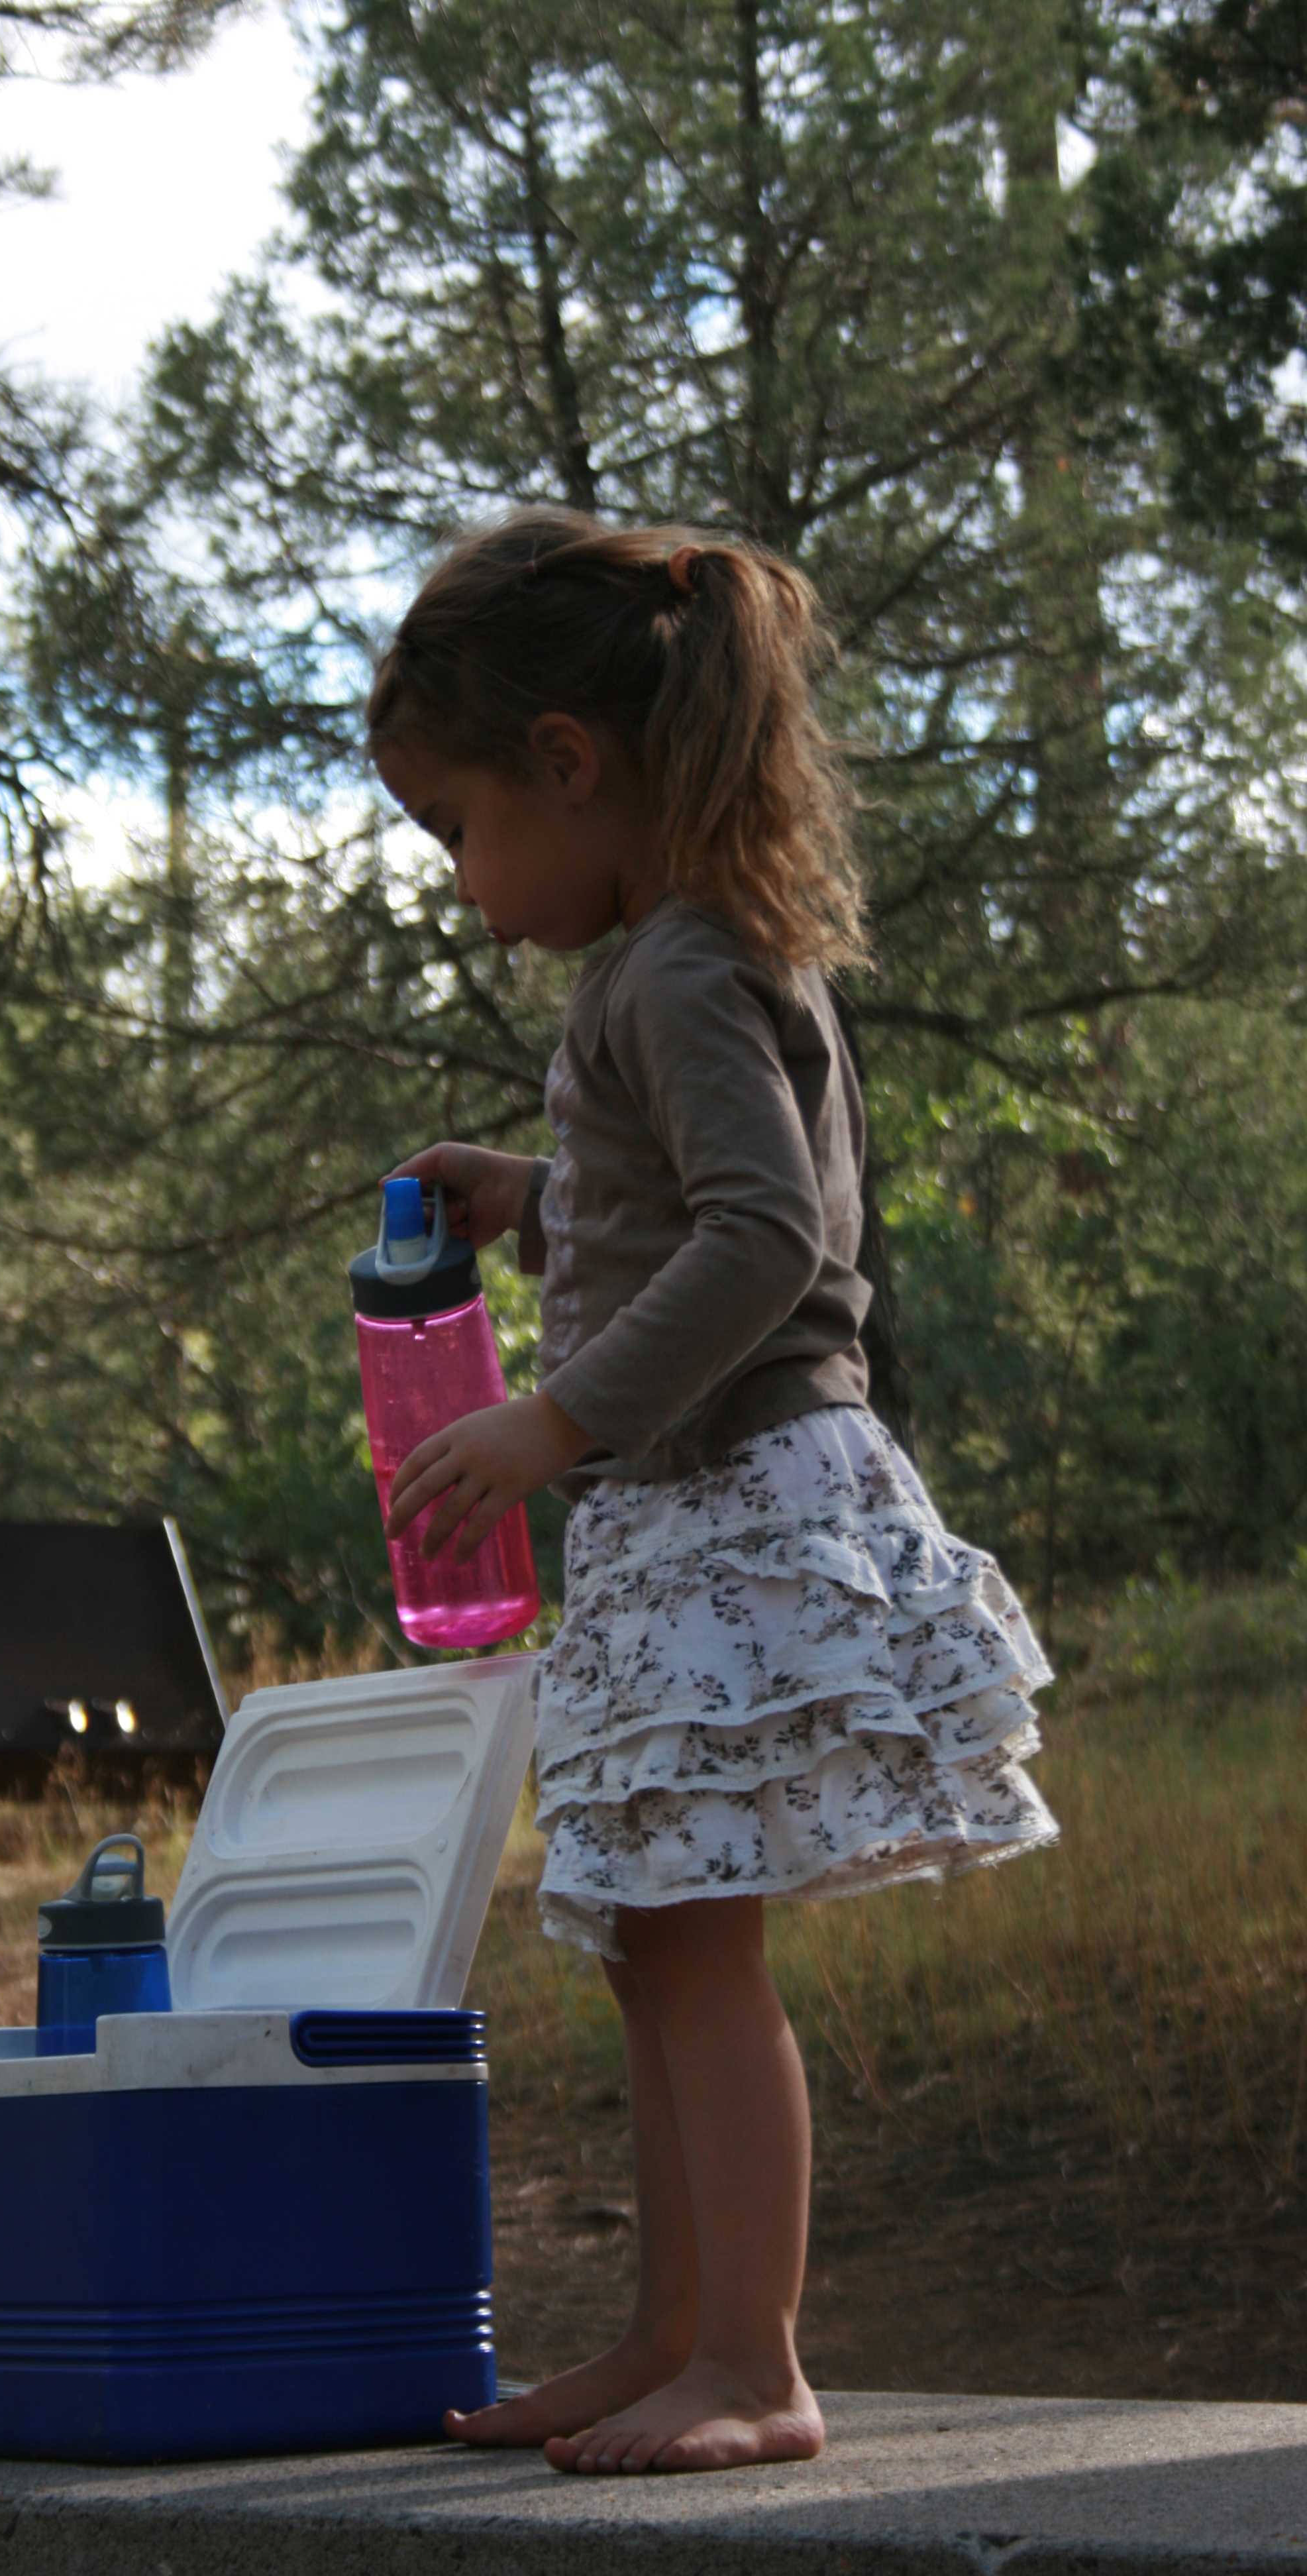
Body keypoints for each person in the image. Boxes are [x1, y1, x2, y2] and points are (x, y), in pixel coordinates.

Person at [370, 508, 1057, 2475]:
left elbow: (768, 1237)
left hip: (733, 1491)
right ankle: (671, 2334)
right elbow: (689, 1197)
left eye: (460, 828)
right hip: (690, 1499)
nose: (464, 884)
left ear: (569, 761)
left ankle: (754, 2361)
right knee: (654, 1936)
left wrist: (552, 1418)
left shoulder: (675, 967)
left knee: (695, 1943)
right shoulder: (683, 960)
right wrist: (542, 1195)